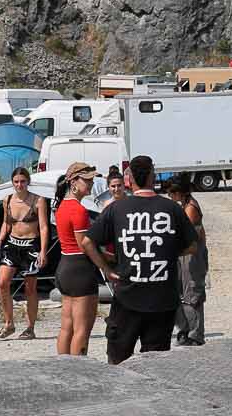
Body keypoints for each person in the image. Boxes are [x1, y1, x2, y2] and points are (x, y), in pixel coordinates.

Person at [85, 154, 198, 364]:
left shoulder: (116, 209)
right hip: (162, 299)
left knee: (117, 362)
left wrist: (106, 269)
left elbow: (87, 242)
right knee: (155, 365)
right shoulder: (172, 208)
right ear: (152, 176)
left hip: (127, 296)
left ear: (129, 180)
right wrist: (167, 252)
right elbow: (192, 245)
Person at [0, 165, 49, 340]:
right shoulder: (8, 200)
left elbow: (44, 227)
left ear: (28, 182)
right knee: (2, 283)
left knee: (30, 288)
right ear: (12, 182)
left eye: (23, 181)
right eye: (16, 182)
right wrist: (0, 240)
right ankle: (9, 323)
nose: (19, 185)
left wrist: (43, 251)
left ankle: (30, 327)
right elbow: (6, 223)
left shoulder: (38, 200)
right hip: (12, 245)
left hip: (31, 247)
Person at [52, 163, 101, 356]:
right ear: (73, 182)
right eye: (87, 180)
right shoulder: (78, 210)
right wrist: (105, 264)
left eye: (92, 180)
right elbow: (84, 245)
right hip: (80, 270)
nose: (91, 184)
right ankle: (78, 368)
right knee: (82, 329)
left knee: (67, 327)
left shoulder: (61, 206)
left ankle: (63, 367)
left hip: (65, 266)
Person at [166, 177, 209, 346]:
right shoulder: (184, 205)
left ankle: (194, 335)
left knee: (192, 293)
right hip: (184, 255)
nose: (169, 196)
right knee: (182, 293)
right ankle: (185, 330)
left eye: (171, 193)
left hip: (192, 256)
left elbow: (185, 234)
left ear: (179, 192)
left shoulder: (191, 207)